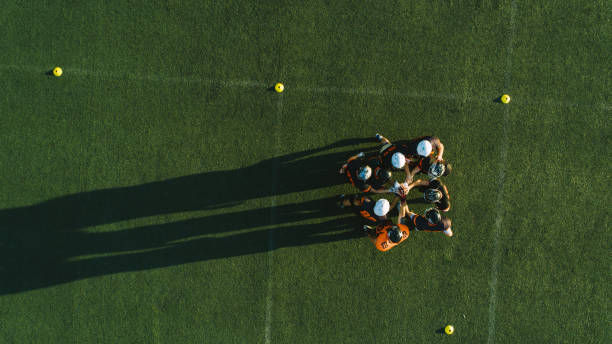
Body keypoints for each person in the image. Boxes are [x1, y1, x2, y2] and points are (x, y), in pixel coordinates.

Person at [377, 134, 445, 162]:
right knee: (391, 148)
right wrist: (407, 159)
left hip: (414, 151)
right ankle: (382, 139)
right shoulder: (411, 146)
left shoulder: (433, 140)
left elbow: (441, 146)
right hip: (408, 147)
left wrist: (440, 155)